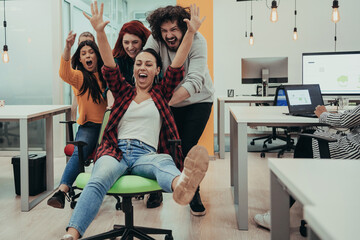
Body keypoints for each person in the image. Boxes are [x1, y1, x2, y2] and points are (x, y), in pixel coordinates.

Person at [61, 2, 209, 240]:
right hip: (115, 150)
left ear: (157, 70)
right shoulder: (122, 91)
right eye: (139, 63)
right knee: (98, 180)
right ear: (133, 71)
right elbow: (109, 64)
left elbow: (178, 64)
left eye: (149, 64)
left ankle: (182, 185)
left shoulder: (162, 93)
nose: (142, 67)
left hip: (146, 154)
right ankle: (72, 234)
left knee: (164, 164)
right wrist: (99, 32)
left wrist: (190, 33)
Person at [145, 4, 215, 216]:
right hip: (169, 98)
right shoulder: (155, 39)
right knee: (160, 147)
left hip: (198, 101)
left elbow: (194, 81)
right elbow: (146, 62)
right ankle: (157, 189)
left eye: (173, 30)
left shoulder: (197, 41)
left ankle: (193, 191)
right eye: (164, 31)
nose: (168, 35)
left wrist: (162, 103)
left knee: (186, 147)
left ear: (183, 29)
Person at [254, 104, 360, 230]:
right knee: (310, 135)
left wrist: (323, 114)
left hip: (350, 154)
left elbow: (344, 122)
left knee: (305, 143)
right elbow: (351, 116)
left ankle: (276, 216)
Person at [47, 32, 109, 209]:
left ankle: (95, 194)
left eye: (91, 52)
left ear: (97, 55)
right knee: (79, 151)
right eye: (83, 53)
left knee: (105, 158)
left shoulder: (107, 75)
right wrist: (67, 47)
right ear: (80, 60)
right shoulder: (80, 78)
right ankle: (62, 191)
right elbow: (64, 72)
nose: (88, 56)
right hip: (89, 126)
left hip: (108, 127)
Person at [70, 32, 96, 121]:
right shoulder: (74, 62)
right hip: (79, 95)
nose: (85, 45)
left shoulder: (97, 62)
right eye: (82, 43)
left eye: (89, 43)